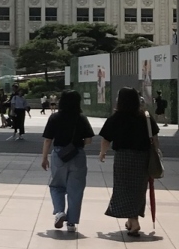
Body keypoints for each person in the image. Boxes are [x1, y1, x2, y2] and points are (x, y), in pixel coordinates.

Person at [99, 87, 160, 236]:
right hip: (142, 158)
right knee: (138, 189)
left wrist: (102, 153)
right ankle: (131, 219)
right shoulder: (145, 116)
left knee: (123, 188)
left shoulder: (116, 117)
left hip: (123, 158)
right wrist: (156, 153)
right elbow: (155, 139)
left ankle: (134, 221)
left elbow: (106, 139)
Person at [41, 90, 93, 231]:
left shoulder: (54, 118)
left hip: (59, 155)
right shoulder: (81, 118)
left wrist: (44, 158)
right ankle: (71, 223)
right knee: (75, 190)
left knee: (57, 185)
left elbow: (47, 140)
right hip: (78, 155)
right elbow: (88, 140)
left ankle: (59, 212)